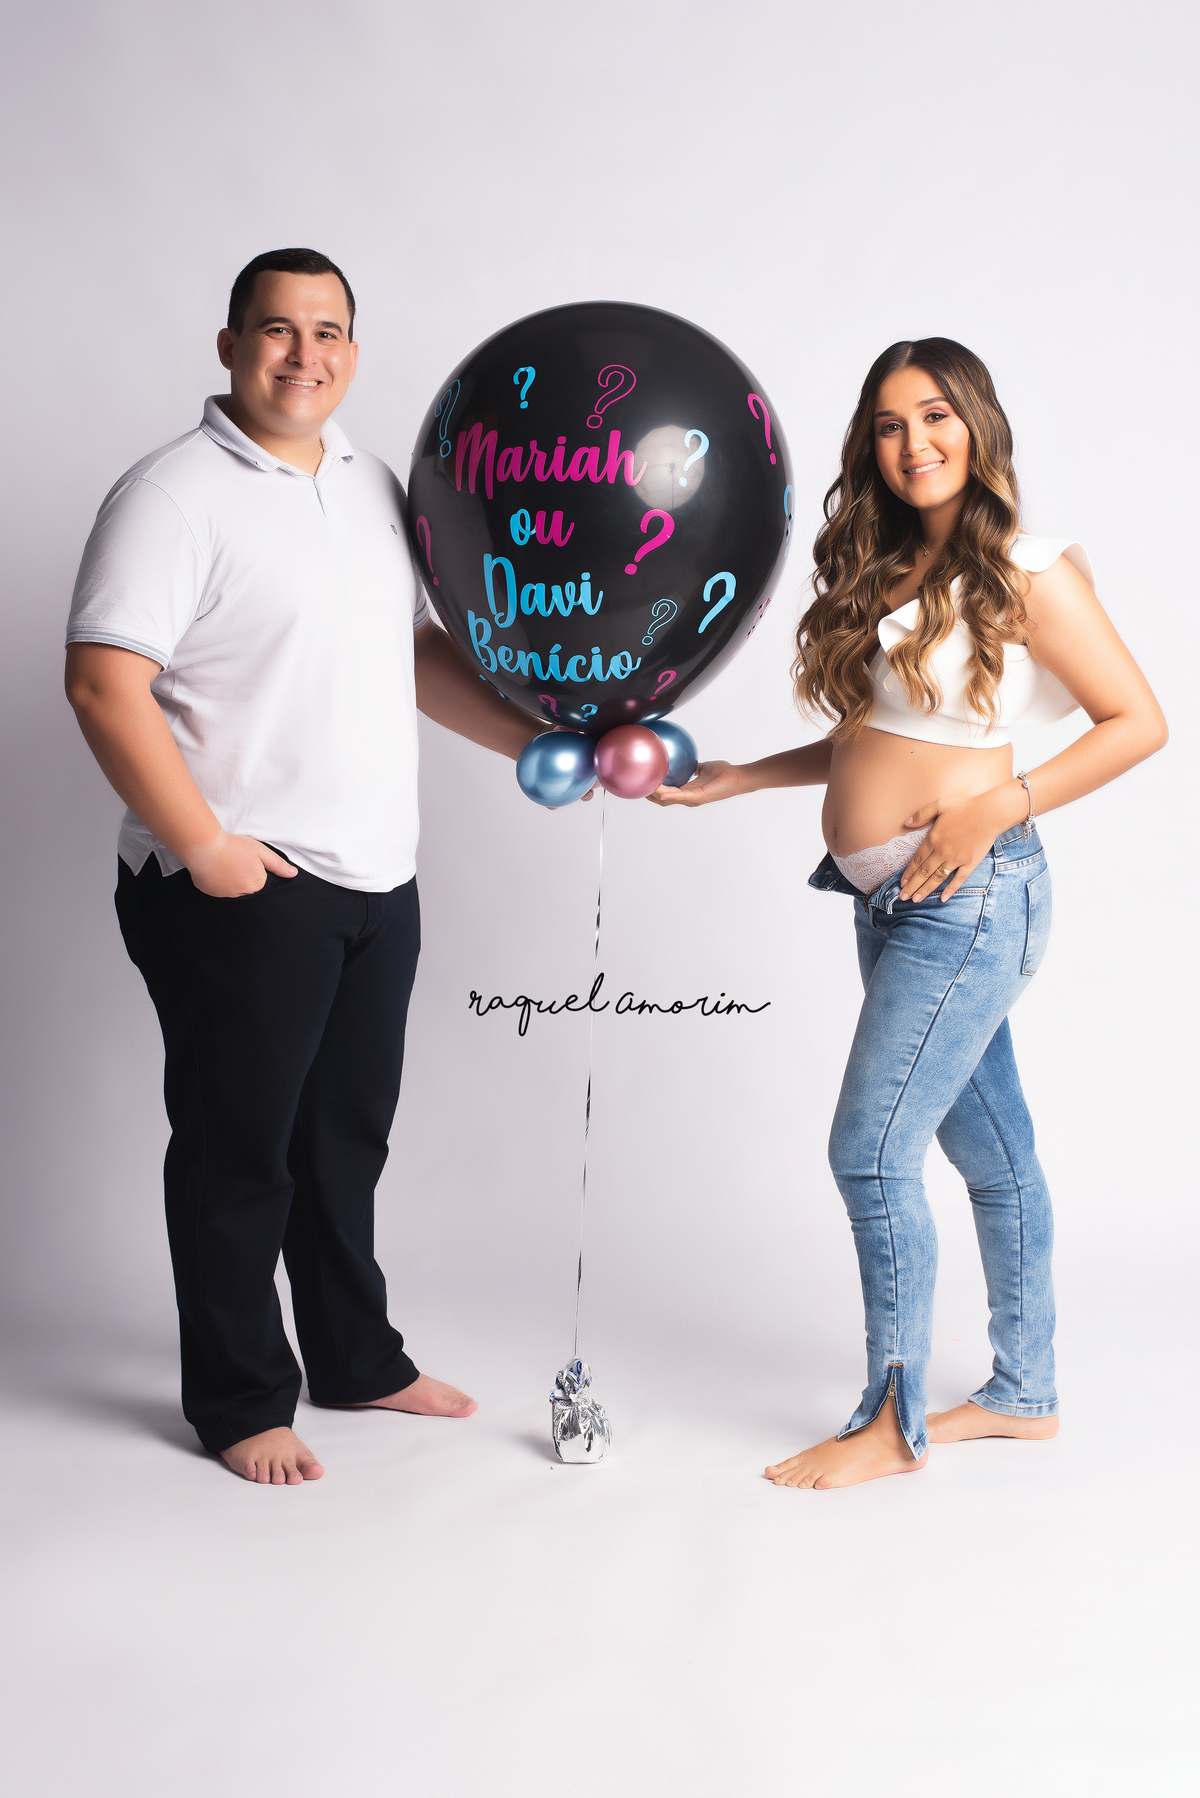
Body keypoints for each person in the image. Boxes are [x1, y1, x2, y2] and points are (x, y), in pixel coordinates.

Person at [65, 248, 546, 1486]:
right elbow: (103, 683)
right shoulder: (171, 495)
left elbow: (416, 653)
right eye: (277, 329)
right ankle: (238, 1401)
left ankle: (355, 1358)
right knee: (241, 1151)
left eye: (327, 331)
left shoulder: (372, 484)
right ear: (230, 345)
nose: (304, 354)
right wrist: (205, 848)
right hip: (241, 883)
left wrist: (536, 742)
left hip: (376, 878)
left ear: (353, 352)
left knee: (343, 1143)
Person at [651, 338, 1167, 1489]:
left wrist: (998, 806)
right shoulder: (886, 566)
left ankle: (890, 1421)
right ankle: (1025, 1394)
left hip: (973, 899)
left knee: (870, 1149)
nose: (914, 442)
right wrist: (743, 779)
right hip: (890, 900)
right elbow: (874, 740)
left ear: (976, 424)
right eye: (888, 425)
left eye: (935, 415)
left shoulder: (1029, 569)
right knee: (993, 1150)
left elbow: (1138, 721)